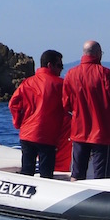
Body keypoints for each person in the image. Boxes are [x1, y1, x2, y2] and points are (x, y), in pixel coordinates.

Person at [62, 40, 110, 180]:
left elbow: (66, 104)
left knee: (77, 172)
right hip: (101, 132)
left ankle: (73, 196)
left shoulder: (71, 74)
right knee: (101, 175)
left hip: (79, 130)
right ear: (98, 54)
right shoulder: (106, 74)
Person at [8, 49, 67, 178]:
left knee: (27, 172)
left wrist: (18, 122)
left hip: (27, 134)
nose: (61, 69)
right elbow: (69, 106)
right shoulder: (60, 85)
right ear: (50, 65)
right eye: (59, 66)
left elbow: (13, 104)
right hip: (47, 136)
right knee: (46, 176)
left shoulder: (27, 83)